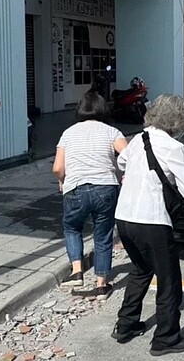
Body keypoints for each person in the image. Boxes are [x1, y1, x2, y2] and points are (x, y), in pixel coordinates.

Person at [112, 94, 184, 356]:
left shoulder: (138, 139)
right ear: (178, 121)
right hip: (153, 220)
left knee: (140, 270)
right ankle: (166, 338)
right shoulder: (172, 146)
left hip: (125, 217)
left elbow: (120, 162)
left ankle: (125, 325)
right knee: (169, 279)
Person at [52, 91, 128, 300]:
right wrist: (126, 174)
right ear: (103, 109)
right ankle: (102, 285)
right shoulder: (112, 131)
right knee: (102, 236)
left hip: (75, 188)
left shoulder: (68, 133)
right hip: (106, 188)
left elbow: (58, 167)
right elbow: (130, 156)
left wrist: (62, 180)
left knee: (71, 227)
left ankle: (77, 271)